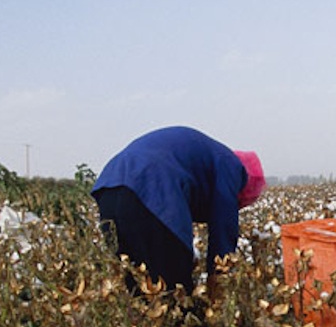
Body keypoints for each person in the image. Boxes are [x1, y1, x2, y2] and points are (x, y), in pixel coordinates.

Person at [92, 126, 265, 296]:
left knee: (135, 285)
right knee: (175, 291)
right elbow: (224, 228)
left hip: (108, 187)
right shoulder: (231, 165)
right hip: (152, 187)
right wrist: (218, 285)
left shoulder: (207, 156)